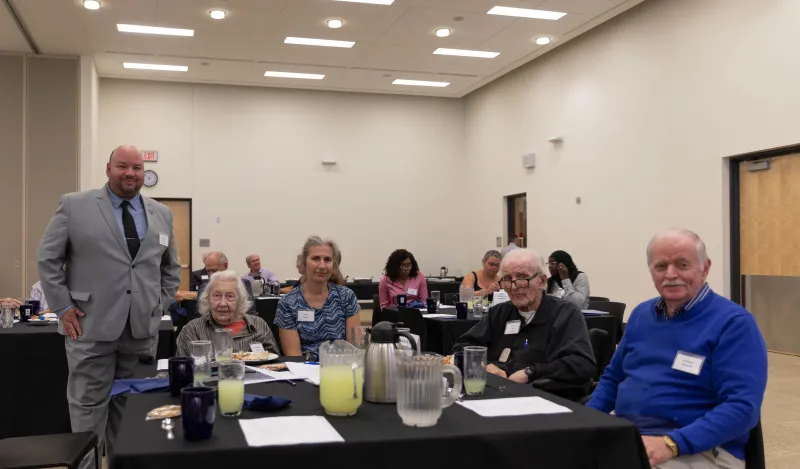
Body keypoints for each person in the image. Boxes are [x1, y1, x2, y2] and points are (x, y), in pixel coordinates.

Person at [37, 145, 180, 458]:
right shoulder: (75, 206)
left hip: (142, 331)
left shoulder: (162, 213)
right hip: (89, 327)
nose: (130, 173)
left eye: (137, 168)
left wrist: (159, 307)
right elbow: (48, 259)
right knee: (88, 409)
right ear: (108, 169)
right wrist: (62, 307)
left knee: (131, 409)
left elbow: (170, 269)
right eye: (123, 166)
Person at [587, 229, 767, 469]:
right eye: (661, 266)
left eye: (682, 264)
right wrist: (585, 421)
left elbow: (742, 408)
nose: (671, 275)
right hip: (632, 438)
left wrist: (671, 443)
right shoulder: (641, 315)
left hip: (702, 450)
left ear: (705, 268)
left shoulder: (734, 324)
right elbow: (613, 378)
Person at [453, 248, 595, 386]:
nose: (514, 286)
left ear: (542, 281)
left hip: (543, 396)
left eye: (522, 277)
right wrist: (485, 365)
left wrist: (531, 372)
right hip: (496, 390)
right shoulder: (499, 313)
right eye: (508, 279)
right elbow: (463, 345)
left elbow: (582, 364)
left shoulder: (565, 314)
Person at [275, 236, 361, 360]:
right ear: (304, 262)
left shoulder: (346, 297)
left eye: (327, 260)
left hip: (340, 370)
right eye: (315, 259)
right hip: (304, 372)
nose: (322, 266)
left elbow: (354, 350)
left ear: (334, 264)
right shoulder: (288, 303)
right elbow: (294, 358)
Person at [176, 270, 278, 356]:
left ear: (240, 300)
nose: (223, 303)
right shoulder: (192, 331)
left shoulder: (259, 326)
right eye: (217, 295)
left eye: (230, 296)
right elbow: (182, 371)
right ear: (207, 299)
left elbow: (275, 365)